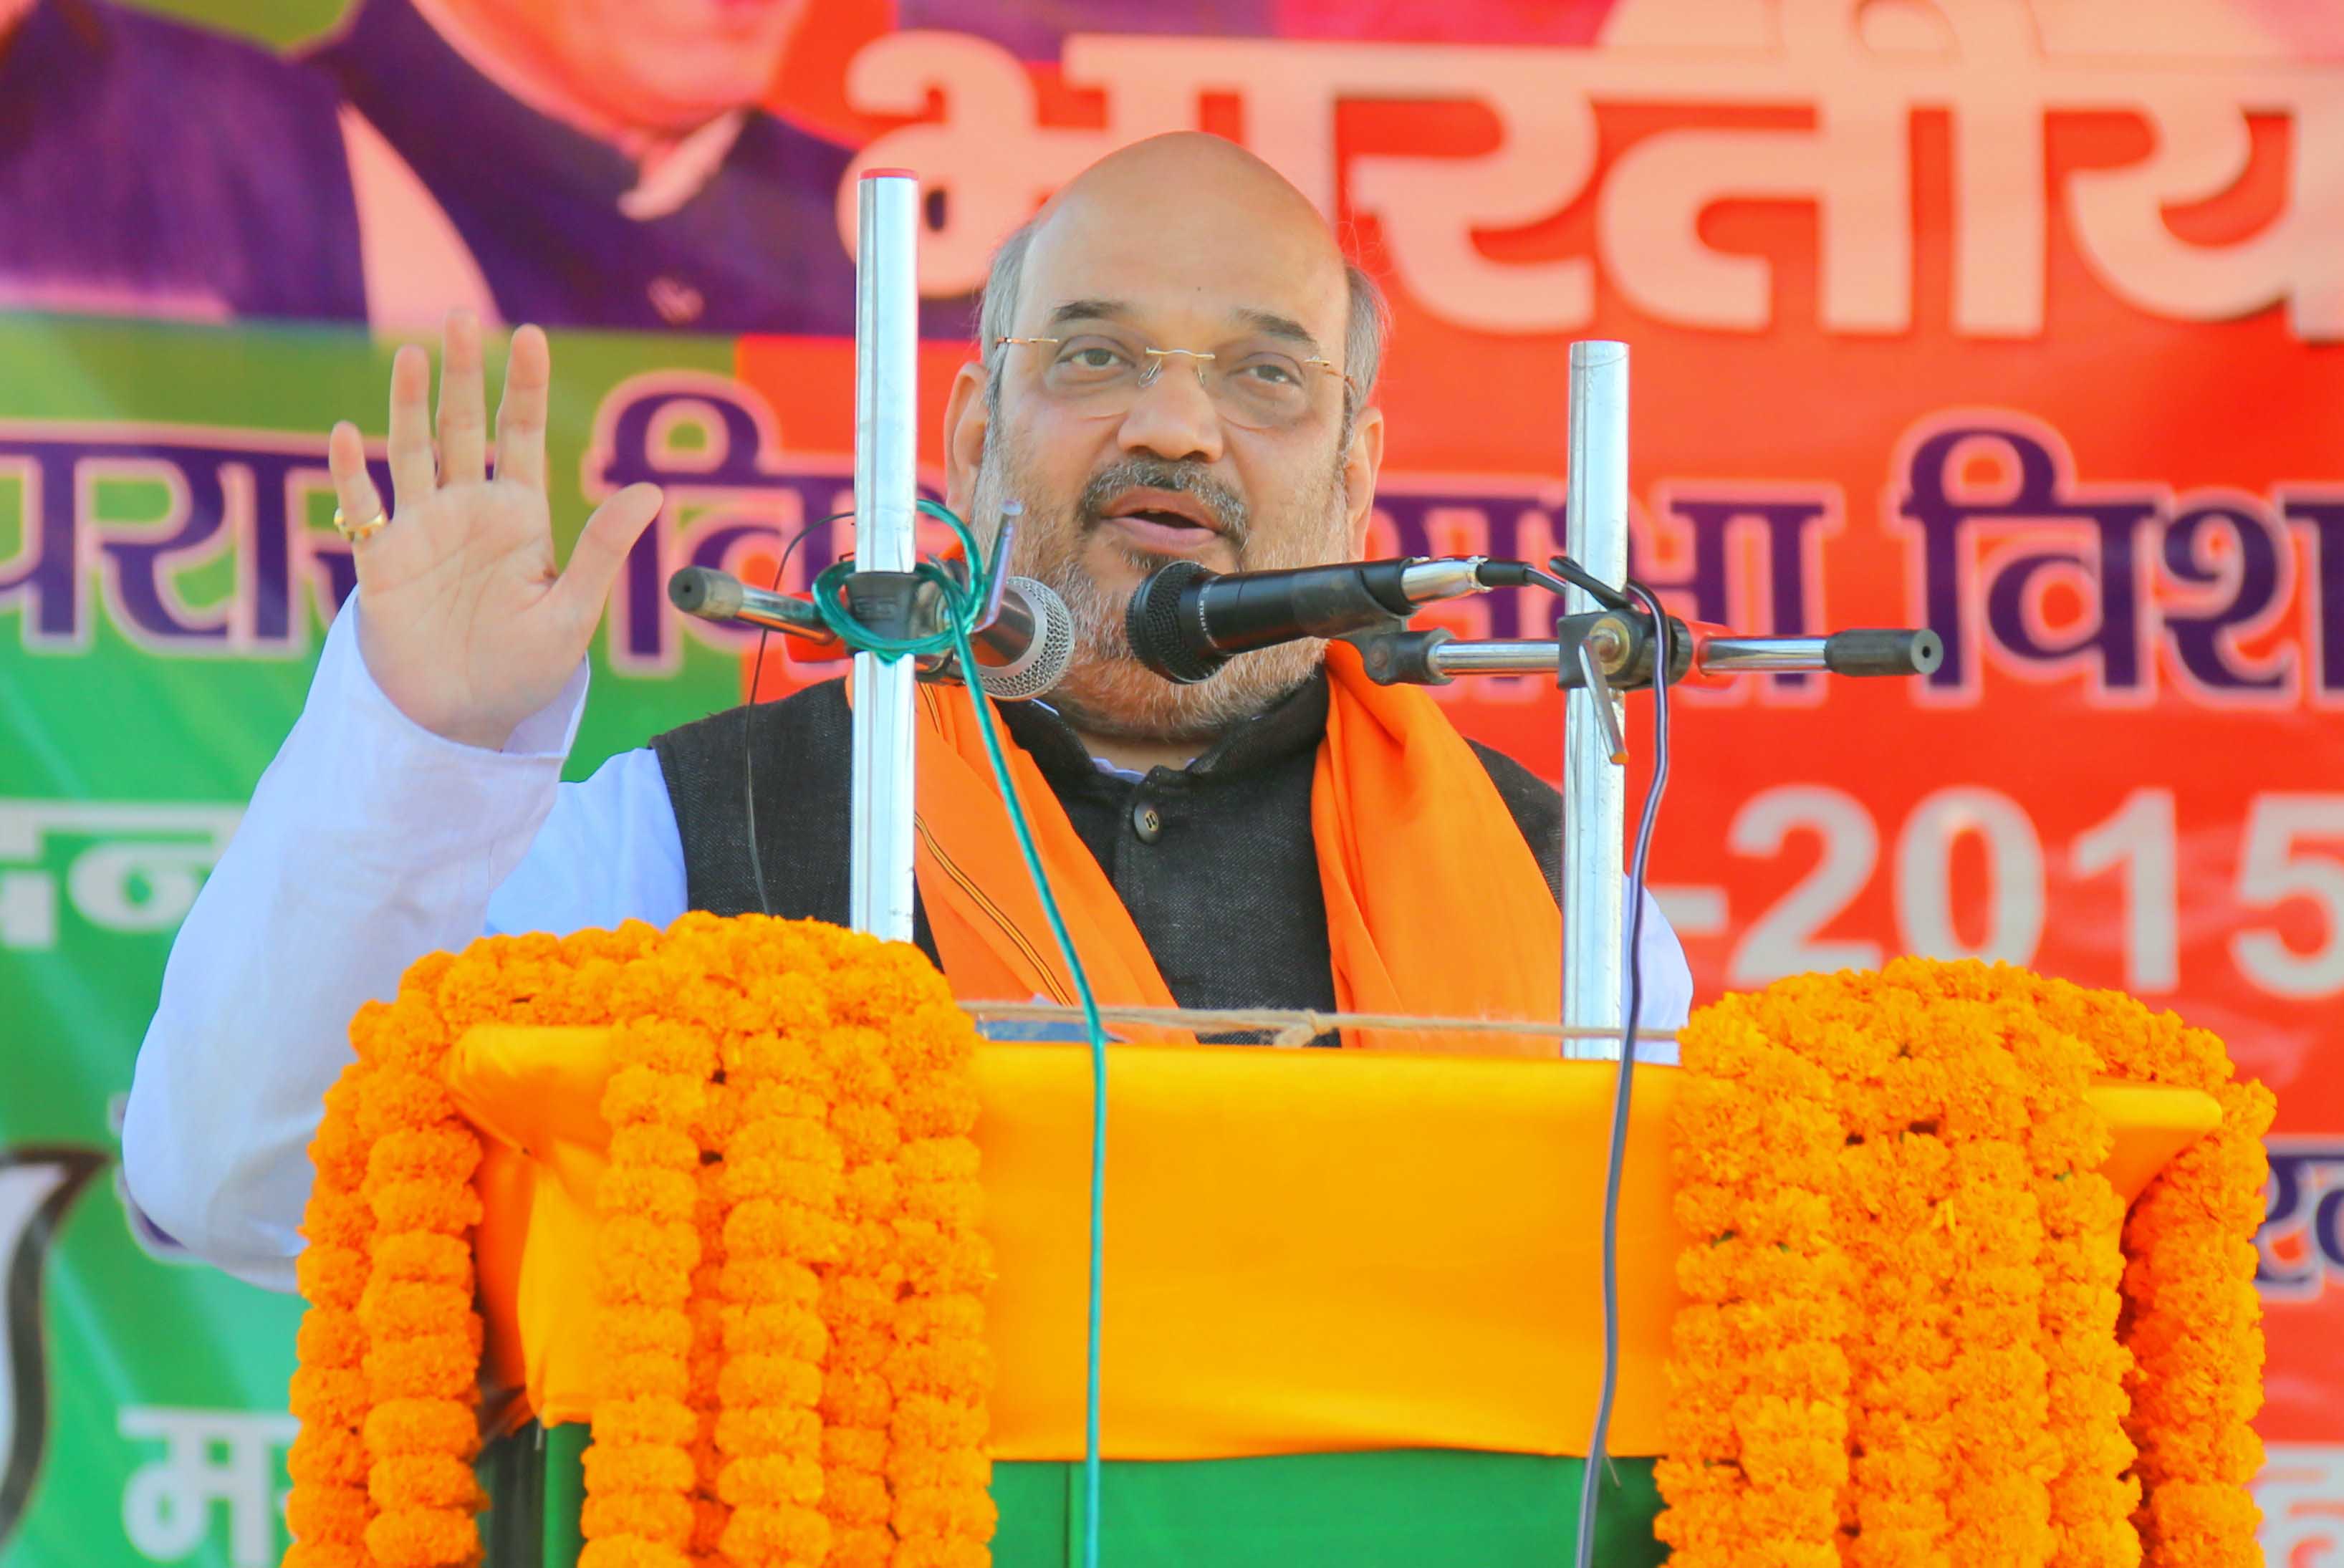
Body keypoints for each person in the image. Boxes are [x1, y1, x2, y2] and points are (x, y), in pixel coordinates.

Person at [121, 132, 1691, 1292]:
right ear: (962, 430)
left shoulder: (1560, 897)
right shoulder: (696, 835)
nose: (1172, 425)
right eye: (1095, 355)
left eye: (1267, 380)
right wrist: (430, 750)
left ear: (1354, 478)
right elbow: (247, 1186)